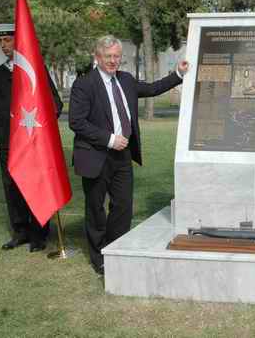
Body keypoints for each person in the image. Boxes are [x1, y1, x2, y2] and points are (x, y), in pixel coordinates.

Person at [69, 35, 189, 275]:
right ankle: (98, 257)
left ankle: (117, 249)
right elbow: (77, 122)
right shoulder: (84, 84)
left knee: (123, 207)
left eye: (116, 56)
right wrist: (110, 139)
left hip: (122, 157)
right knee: (96, 209)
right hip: (95, 155)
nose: (113, 61)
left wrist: (178, 73)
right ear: (97, 57)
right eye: (108, 57)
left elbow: (153, 88)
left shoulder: (125, 80)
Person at [0, 23, 63, 252]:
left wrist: (43, 127)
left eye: (8, 40)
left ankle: (39, 234)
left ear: (18, 40)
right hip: (7, 142)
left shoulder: (35, 68)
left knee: (34, 184)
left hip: (32, 139)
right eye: (1, 41)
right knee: (11, 186)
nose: (4, 45)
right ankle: (20, 231)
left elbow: (55, 102)